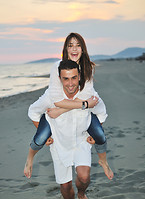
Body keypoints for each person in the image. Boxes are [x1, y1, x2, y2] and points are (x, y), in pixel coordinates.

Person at [24, 32, 113, 181]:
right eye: (70, 45)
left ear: (83, 49)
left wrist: (61, 110)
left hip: (83, 105)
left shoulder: (87, 68)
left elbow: (85, 98)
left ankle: (103, 161)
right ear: (65, 48)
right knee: (40, 138)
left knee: (100, 135)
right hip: (59, 102)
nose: (74, 49)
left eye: (78, 45)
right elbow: (56, 99)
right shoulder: (57, 67)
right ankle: (30, 158)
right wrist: (75, 105)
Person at [27, 60, 103, 199]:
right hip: (59, 144)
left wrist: (92, 135)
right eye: (66, 79)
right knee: (65, 184)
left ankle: (81, 194)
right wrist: (46, 136)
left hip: (81, 141)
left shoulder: (88, 95)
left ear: (79, 76)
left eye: (74, 78)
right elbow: (32, 112)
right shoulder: (51, 97)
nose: (70, 83)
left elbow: (101, 112)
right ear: (59, 79)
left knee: (84, 176)